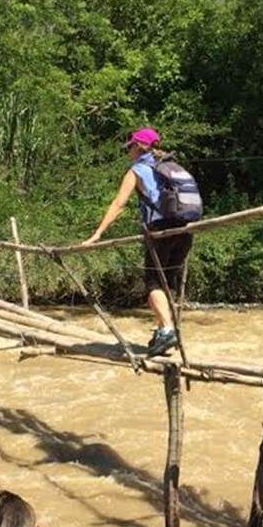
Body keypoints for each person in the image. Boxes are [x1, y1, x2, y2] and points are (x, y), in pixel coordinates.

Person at [81, 127, 194, 356]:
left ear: (138, 146)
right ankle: (163, 330)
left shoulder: (137, 170)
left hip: (161, 230)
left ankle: (168, 331)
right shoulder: (172, 166)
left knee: (153, 283)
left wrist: (98, 234)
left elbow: (118, 203)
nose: (128, 152)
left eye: (130, 147)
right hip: (186, 227)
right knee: (166, 282)